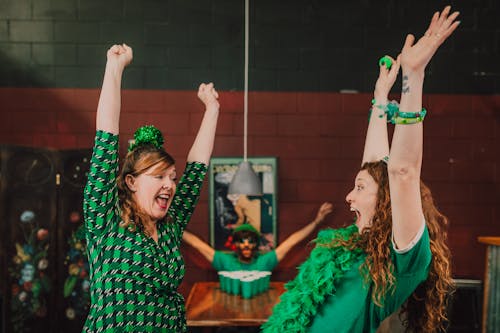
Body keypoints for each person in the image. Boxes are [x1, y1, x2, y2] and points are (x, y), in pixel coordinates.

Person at [262, 6, 459, 333]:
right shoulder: (358, 244)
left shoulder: (404, 261)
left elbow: (401, 171)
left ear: (387, 202)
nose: (349, 196)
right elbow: (376, 166)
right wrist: (380, 98)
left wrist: (413, 76)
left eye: (360, 188)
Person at [83, 44, 219, 332]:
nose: (170, 184)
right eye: (159, 177)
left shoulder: (170, 227)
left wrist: (213, 109)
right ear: (131, 182)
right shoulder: (105, 220)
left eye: (172, 177)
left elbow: (196, 169)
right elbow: (106, 136)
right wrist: (115, 68)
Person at [182, 202, 333, 271]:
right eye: (242, 242)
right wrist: (172, 227)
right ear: (236, 244)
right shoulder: (226, 262)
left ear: (256, 244)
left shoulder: (264, 262)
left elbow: (291, 241)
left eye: (250, 241)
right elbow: (197, 244)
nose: (246, 245)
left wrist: (316, 222)